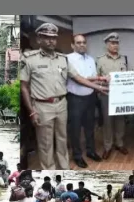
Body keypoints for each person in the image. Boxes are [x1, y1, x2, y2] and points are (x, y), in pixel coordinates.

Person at [20, 23, 108, 170]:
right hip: (42, 106)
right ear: (39, 39)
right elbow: (24, 86)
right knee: (46, 144)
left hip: (61, 104)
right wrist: (32, 111)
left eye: (53, 38)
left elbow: (78, 78)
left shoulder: (63, 59)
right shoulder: (29, 59)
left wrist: (98, 86)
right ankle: (50, 172)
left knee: (62, 139)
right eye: (46, 37)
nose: (50, 41)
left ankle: (65, 169)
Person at [67, 33, 105, 168]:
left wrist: (101, 79)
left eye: (84, 42)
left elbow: (92, 77)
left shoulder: (90, 59)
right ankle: (77, 155)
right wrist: (100, 82)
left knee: (90, 127)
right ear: (72, 45)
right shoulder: (68, 59)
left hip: (90, 98)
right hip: (75, 99)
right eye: (78, 42)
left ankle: (91, 151)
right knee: (75, 129)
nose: (82, 44)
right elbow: (79, 78)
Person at [96, 32, 129, 159]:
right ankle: (108, 146)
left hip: (120, 95)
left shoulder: (123, 58)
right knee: (107, 122)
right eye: (112, 43)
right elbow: (97, 78)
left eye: (117, 43)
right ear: (107, 45)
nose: (115, 45)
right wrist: (102, 84)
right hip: (106, 94)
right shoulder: (100, 60)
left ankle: (119, 143)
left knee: (120, 120)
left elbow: (127, 76)